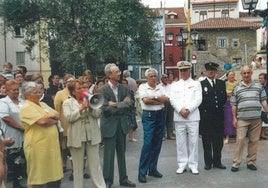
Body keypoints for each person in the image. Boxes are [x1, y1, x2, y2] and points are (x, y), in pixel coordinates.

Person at [98, 63, 136, 188]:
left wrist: (115, 104)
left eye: (119, 71)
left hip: (121, 125)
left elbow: (130, 104)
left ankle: (123, 179)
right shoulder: (102, 90)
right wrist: (121, 105)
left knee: (121, 154)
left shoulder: (124, 88)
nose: (119, 73)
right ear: (109, 75)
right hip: (109, 126)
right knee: (108, 155)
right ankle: (107, 181)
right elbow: (105, 109)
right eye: (116, 72)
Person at [62, 79, 106, 188]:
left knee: (95, 166)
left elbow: (98, 115)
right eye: (79, 88)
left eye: (83, 87)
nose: (82, 90)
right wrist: (81, 108)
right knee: (78, 168)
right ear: (73, 92)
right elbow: (69, 118)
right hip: (76, 137)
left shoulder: (91, 99)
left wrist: (91, 106)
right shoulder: (67, 103)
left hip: (92, 135)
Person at [19, 81, 63, 187]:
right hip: (37, 146)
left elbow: (57, 115)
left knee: (50, 174)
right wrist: (51, 118)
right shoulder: (26, 107)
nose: (39, 94)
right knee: (37, 176)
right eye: (35, 92)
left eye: (40, 91)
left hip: (50, 145)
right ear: (27, 94)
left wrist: (50, 118)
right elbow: (42, 122)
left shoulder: (42, 104)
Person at [230, 66, 268, 172]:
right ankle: (236, 163)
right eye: (244, 73)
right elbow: (233, 105)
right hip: (242, 118)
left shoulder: (259, 86)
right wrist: (234, 118)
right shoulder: (237, 88)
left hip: (256, 118)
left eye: (248, 73)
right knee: (240, 140)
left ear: (251, 73)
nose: (246, 75)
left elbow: (263, 101)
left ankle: (251, 161)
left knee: (254, 141)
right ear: (241, 74)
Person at [170, 61, 202, 175]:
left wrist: (188, 109)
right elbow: (172, 99)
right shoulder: (174, 85)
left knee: (193, 141)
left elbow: (198, 99)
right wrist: (180, 110)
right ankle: (182, 164)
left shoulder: (196, 84)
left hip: (192, 116)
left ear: (189, 71)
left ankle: (193, 164)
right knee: (180, 142)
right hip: (179, 117)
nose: (183, 72)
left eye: (185, 70)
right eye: (181, 70)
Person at [137, 68, 169, 183]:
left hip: (160, 114)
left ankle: (152, 168)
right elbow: (146, 101)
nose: (153, 78)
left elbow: (166, 99)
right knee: (147, 143)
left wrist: (154, 98)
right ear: (146, 78)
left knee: (157, 143)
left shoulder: (161, 87)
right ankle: (142, 172)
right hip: (149, 115)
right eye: (150, 76)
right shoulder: (142, 87)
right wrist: (158, 99)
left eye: (155, 75)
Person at [199, 62, 227, 171]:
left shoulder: (221, 83)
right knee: (207, 141)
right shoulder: (201, 84)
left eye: (213, 70)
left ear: (216, 72)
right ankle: (208, 163)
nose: (211, 72)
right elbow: (200, 101)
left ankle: (217, 161)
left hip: (218, 117)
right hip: (206, 117)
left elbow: (223, 98)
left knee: (218, 141)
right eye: (209, 70)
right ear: (205, 72)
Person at [0, 80, 25, 188]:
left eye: (17, 89)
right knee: (11, 160)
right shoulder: (3, 102)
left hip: (23, 136)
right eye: (13, 90)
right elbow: (6, 118)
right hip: (10, 135)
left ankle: (17, 182)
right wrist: (21, 128)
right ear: (7, 91)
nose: (16, 92)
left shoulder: (21, 101)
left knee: (19, 160)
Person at [158, 74, 175, 140]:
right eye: (164, 77)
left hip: (170, 103)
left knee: (170, 119)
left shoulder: (170, 86)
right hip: (163, 103)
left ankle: (170, 134)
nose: (166, 79)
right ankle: (162, 135)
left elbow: (172, 94)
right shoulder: (158, 87)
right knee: (163, 119)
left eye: (166, 77)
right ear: (161, 79)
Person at [224, 70, 237, 144]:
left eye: (233, 74)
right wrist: (231, 92)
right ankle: (227, 137)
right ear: (227, 76)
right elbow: (226, 93)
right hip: (228, 103)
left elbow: (236, 93)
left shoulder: (237, 83)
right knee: (228, 120)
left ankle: (238, 136)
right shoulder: (224, 84)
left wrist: (230, 92)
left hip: (236, 103)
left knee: (237, 119)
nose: (232, 76)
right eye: (230, 74)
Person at [258, 73, 268, 140]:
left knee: (265, 120)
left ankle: (263, 134)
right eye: (259, 78)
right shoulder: (259, 87)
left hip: (266, 105)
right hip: (260, 105)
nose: (260, 80)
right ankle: (260, 134)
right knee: (260, 120)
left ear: (265, 79)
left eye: (261, 78)